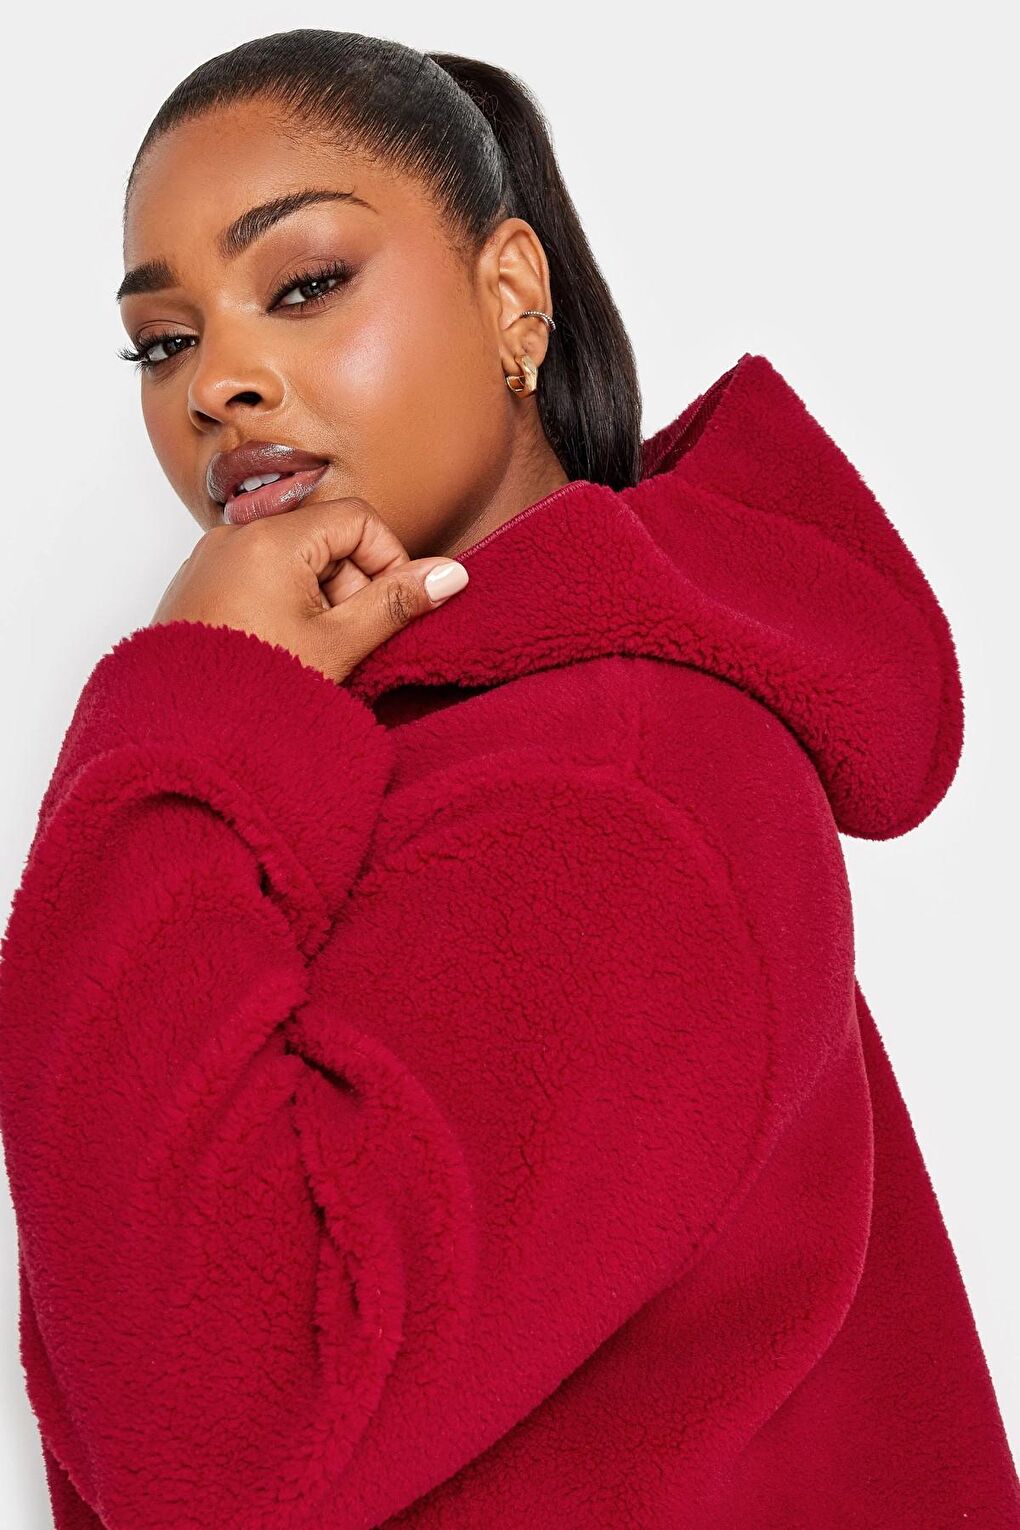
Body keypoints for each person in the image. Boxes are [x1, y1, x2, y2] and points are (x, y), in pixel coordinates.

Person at [0, 28, 1016, 1530]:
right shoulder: (423, 744)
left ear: (511, 298)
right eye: (164, 342)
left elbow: (212, 1448)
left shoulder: (614, 781)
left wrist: (181, 713)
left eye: (303, 283)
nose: (219, 383)